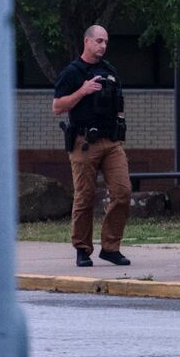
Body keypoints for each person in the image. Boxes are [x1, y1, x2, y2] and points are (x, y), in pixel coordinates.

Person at [53, 25, 132, 268]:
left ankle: (110, 247)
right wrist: (83, 91)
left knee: (123, 192)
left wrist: (120, 122)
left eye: (105, 42)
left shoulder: (110, 71)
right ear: (86, 41)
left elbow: (118, 102)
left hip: (111, 141)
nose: (103, 46)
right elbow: (57, 107)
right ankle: (82, 249)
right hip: (84, 142)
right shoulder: (73, 72)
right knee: (85, 197)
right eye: (98, 41)